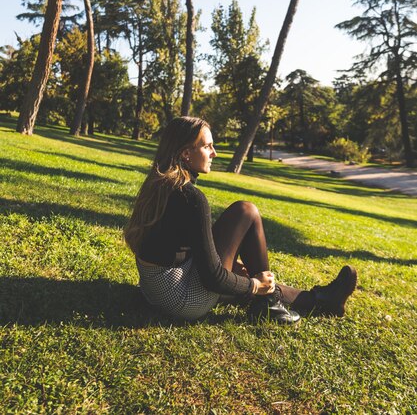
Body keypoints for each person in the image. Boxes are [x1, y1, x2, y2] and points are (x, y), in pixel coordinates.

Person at [125, 117, 357, 323]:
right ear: (186, 153)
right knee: (246, 211)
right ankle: (268, 303)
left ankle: (322, 299)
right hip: (181, 300)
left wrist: (240, 277)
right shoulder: (190, 198)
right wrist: (254, 286)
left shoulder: (159, 183)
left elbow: (175, 244)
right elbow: (213, 279)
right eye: (207, 146)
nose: (214, 153)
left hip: (154, 289)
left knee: (243, 274)